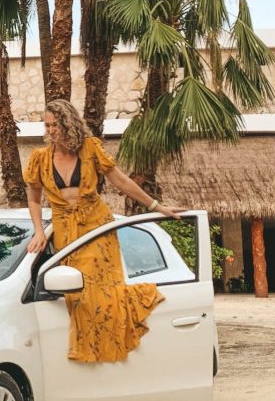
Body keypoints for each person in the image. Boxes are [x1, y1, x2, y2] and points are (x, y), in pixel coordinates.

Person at [24, 100, 184, 363]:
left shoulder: (90, 149)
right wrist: (39, 232)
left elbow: (121, 181)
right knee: (77, 292)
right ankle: (90, 350)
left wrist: (157, 206)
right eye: (47, 125)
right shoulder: (39, 158)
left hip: (96, 225)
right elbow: (32, 199)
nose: (50, 130)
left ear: (68, 124)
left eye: (55, 125)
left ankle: (106, 349)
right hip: (66, 230)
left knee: (105, 292)